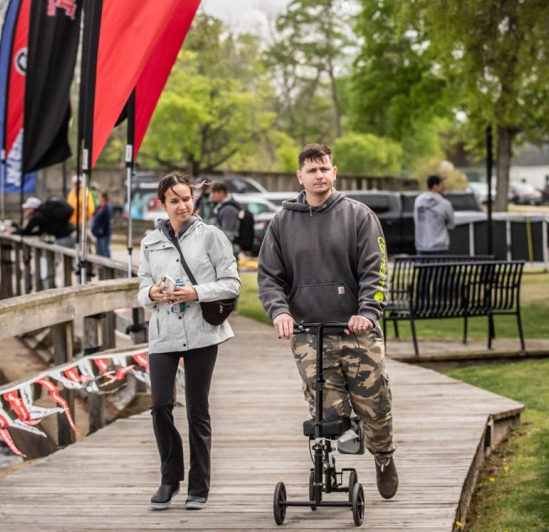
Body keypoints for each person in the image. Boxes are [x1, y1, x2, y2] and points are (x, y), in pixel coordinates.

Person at [257, 142, 398, 500]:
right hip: (309, 333)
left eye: (324, 169)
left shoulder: (359, 216)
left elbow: (376, 270)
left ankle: (383, 456)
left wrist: (368, 312)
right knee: (328, 414)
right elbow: (269, 276)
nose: (319, 175)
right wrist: (280, 311)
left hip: (356, 329)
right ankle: (338, 449)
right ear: (300, 177)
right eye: (312, 170)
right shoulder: (282, 222)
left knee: (374, 405)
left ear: (334, 173)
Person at [138, 172, 240, 511]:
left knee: (197, 408)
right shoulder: (150, 242)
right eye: (174, 201)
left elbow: (232, 283)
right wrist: (152, 293)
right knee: (160, 405)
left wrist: (196, 292)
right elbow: (141, 288)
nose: (182, 205)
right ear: (162, 204)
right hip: (163, 333)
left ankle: (199, 485)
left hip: (200, 332)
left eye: (186, 198)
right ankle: (170, 478)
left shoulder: (211, 236)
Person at [414, 174, 455, 256]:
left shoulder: (418, 201)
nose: (444, 186)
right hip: (440, 248)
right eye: (442, 184)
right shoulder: (445, 204)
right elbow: (451, 225)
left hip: (421, 247)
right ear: (435, 186)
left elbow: (416, 220)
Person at [11, 195, 76, 247]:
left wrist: (14, 232)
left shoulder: (37, 216)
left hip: (64, 237)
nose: (26, 211)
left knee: (51, 256)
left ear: (32, 208)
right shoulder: (45, 212)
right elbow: (40, 232)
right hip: (72, 233)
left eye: (27, 208)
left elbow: (26, 231)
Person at [211, 181, 240, 257]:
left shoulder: (229, 209)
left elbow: (228, 234)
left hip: (229, 250)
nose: (212, 196)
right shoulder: (222, 206)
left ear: (221, 192)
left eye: (214, 193)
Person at [91, 191, 113, 258]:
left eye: (100, 196)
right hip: (98, 234)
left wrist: (101, 230)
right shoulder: (99, 207)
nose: (98, 198)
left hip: (104, 233)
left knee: (104, 250)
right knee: (99, 251)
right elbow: (94, 216)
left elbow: (107, 221)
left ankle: (108, 264)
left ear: (103, 198)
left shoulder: (107, 207)